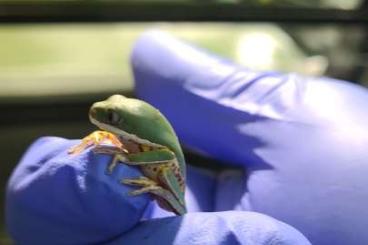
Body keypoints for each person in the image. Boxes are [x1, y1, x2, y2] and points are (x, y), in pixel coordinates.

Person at [6, 30, 368, 245]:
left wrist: (131, 160)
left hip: (167, 175)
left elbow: (162, 159)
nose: (100, 115)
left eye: (112, 117)